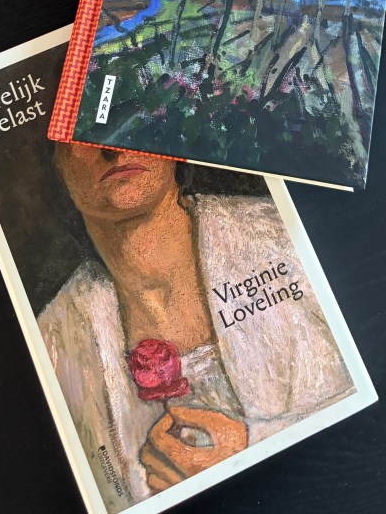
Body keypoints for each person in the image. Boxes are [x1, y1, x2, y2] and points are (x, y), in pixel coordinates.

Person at [39, 145, 355, 511]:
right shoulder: (54, 339)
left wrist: (252, 446)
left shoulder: (283, 236)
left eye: (124, 121)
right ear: (58, 166)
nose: (111, 149)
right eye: (75, 135)